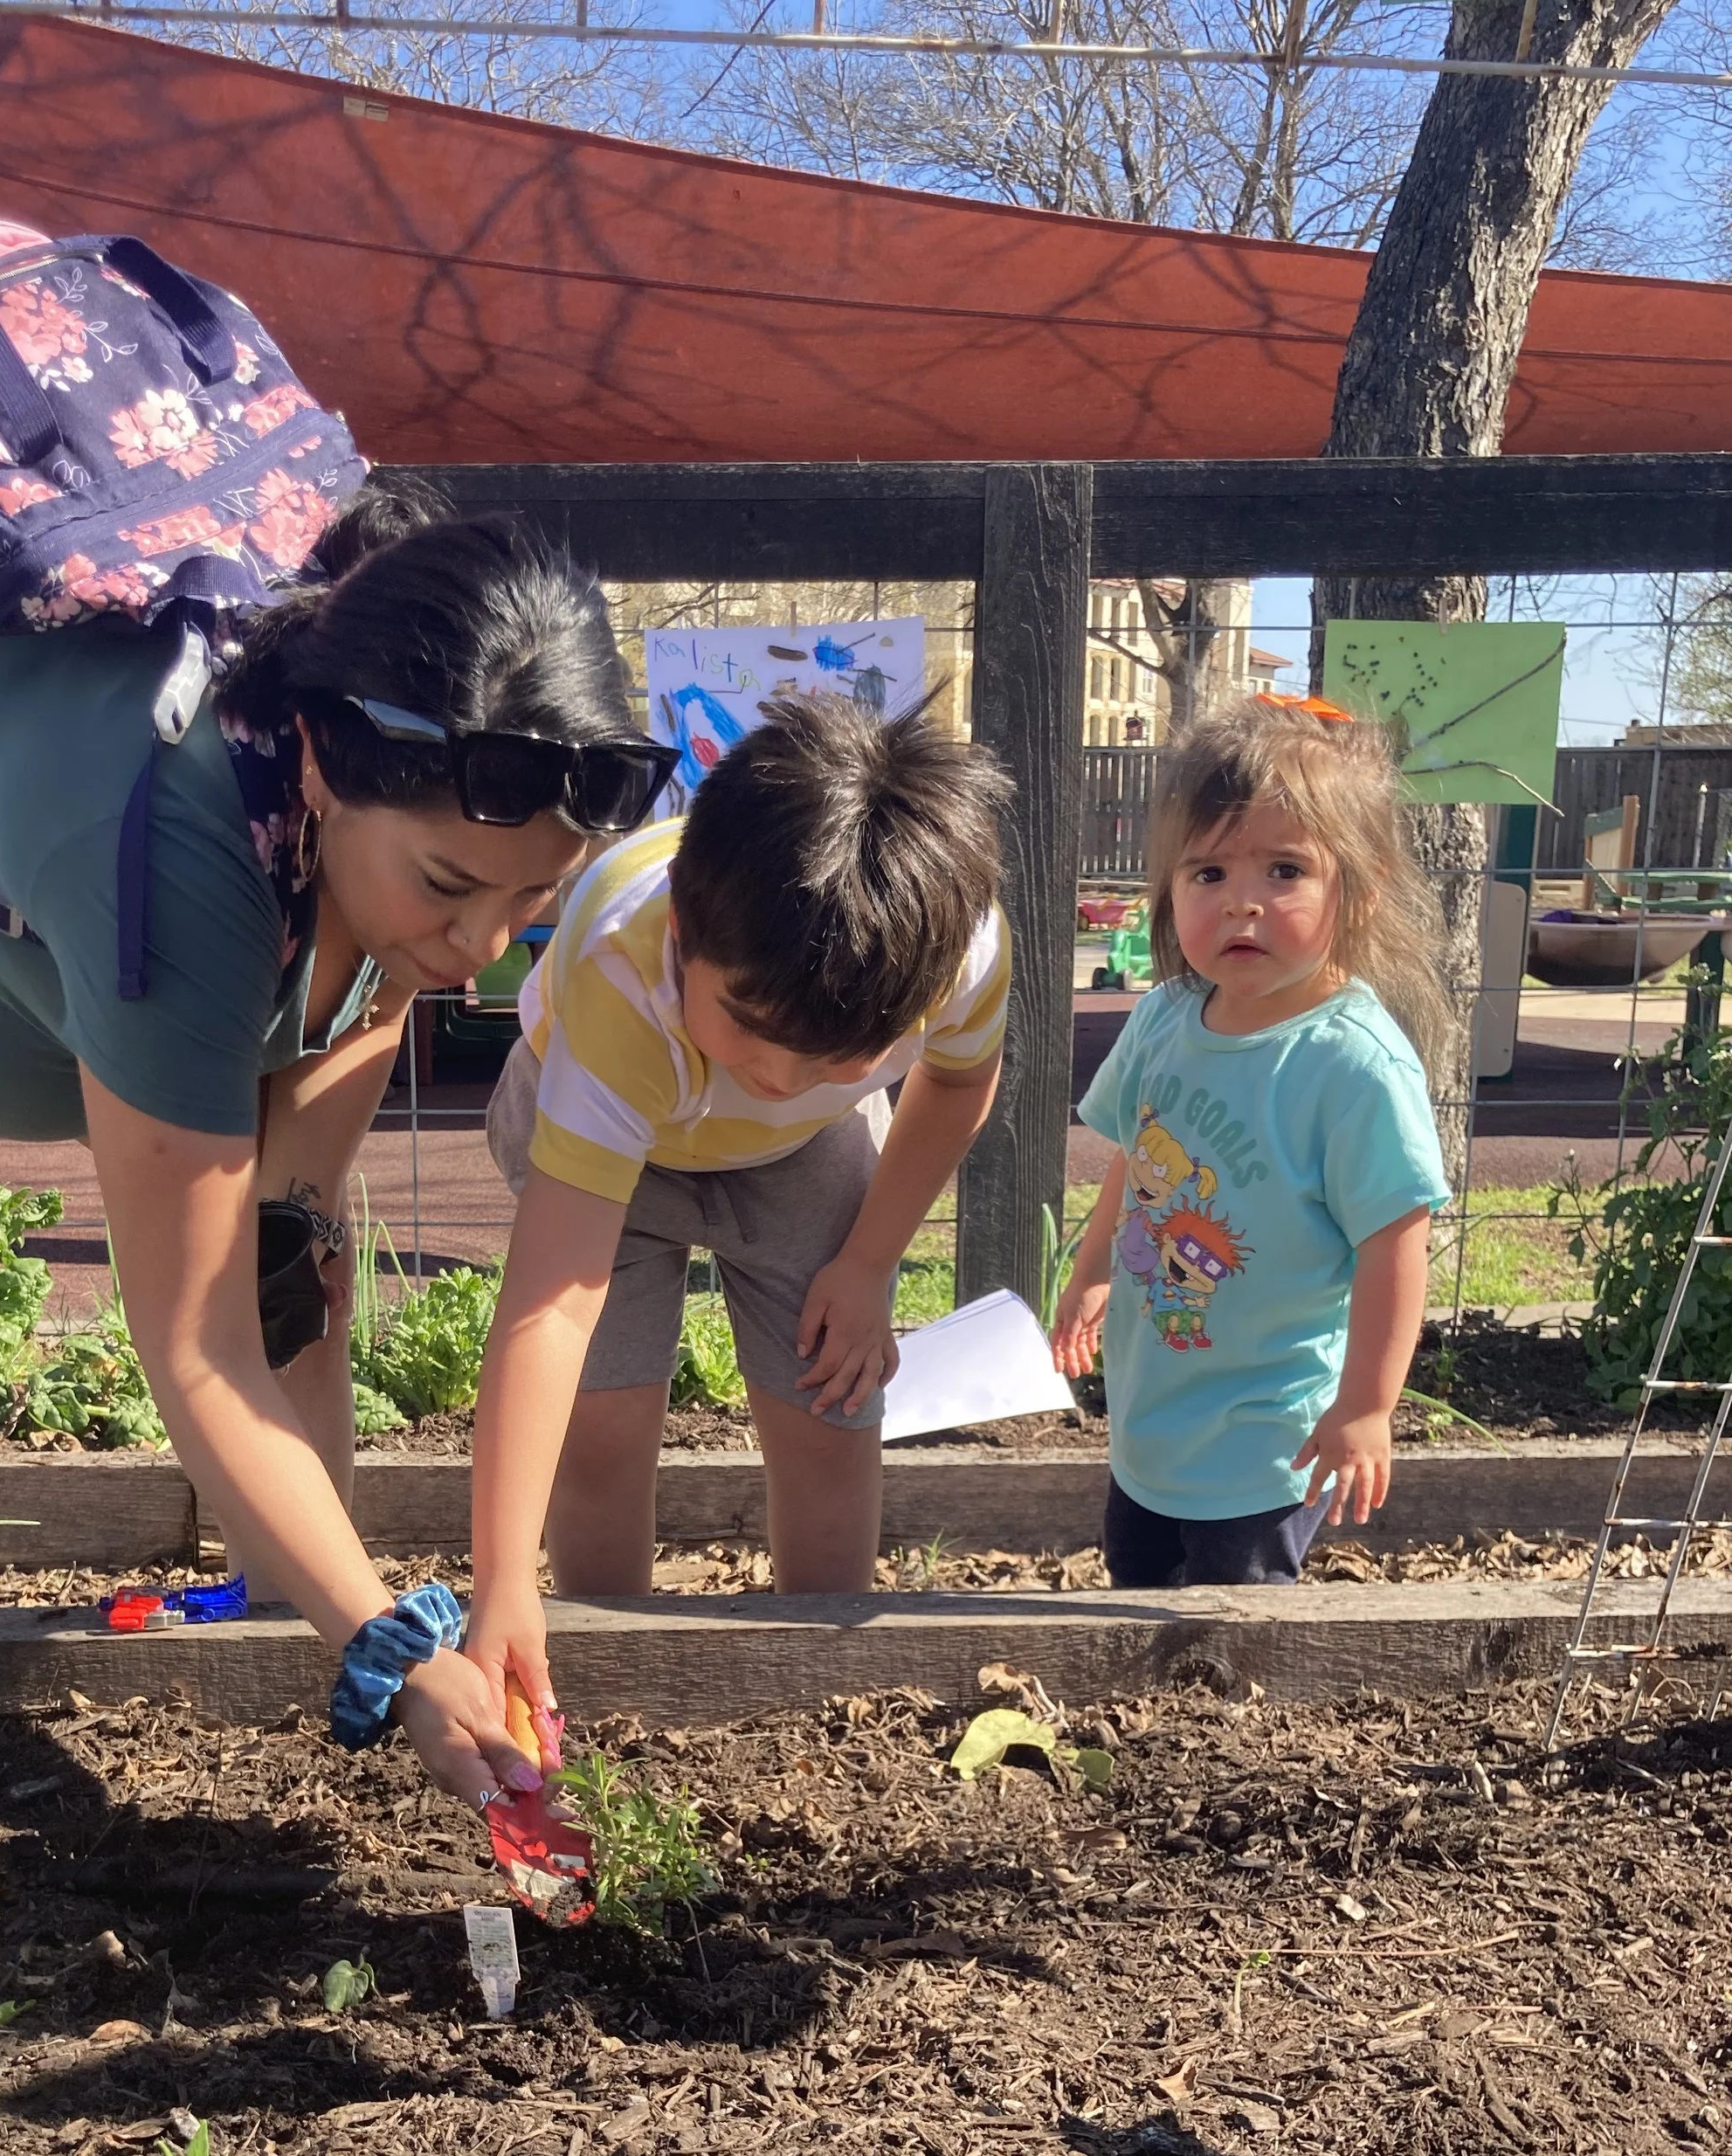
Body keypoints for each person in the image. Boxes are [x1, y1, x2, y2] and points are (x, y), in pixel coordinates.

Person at [0, 486, 678, 1802]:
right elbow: (195, 1348)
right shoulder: (179, 859)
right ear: (319, 765)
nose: (483, 951)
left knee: (282, 1260)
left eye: (531, 899)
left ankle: (286, 1612)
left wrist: (329, 1609)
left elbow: (271, 1269)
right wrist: (391, 1644)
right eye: (447, 888)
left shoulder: (408, 850)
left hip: (37, 943)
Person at [465, 692, 1011, 1725]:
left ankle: (821, 1687)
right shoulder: (620, 971)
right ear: (683, 924)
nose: (777, 1070)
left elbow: (953, 1086)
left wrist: (868, 1264)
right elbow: (550, 1306)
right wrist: (501, 1587)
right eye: (751, 1021)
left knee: (829, 1406)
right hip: (605, 1130)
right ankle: (603, 1665)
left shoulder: (954, 940)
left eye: (841, 1051)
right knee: (602, 1419)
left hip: (803, 1156)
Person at [1051, 696, 1453, 1588]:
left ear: (1359, 885)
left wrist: (1365, 1407)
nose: (1242, 904)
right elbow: (1133, 1154)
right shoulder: (1162, 1018)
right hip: (1154, 1413)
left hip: (1272, 1432)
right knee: (1138, 1590)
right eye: (1206, 874)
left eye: (1282, 870)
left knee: (1234, 1636)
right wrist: (1092, 1274)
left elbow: (1395, 1237)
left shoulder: (1351, 1064)